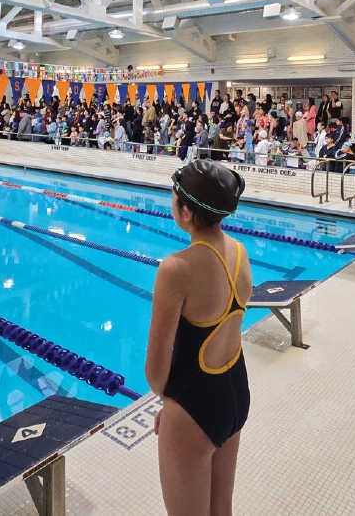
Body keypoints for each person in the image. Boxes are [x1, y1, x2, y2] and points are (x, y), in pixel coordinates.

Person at [146, 160, 251, 516]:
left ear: (187, 212)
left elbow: (155, 368)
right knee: (222, 509)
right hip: (236, 392)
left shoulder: (177, 268)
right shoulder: (239, 251)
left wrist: (170, 406)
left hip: (194, 402)